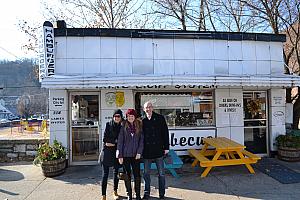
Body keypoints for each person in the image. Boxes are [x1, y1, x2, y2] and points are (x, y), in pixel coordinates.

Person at [142, 101, 169, 199]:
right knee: (146, 174)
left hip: (158, 150)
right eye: (146, 108)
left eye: (149, 107)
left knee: (161, 174)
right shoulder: (142, 120)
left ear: (152, 108)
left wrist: (166, 147)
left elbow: (165, 133)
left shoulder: (160, 118)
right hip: (146, 151)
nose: (148, 109)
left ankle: (162, 194)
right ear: (144, 109)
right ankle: (146, 193)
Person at [117, 109, 144, 200]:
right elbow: (120, 142)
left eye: (132, 116)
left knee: (137, 175)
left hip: (136, 155)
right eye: (129, 116)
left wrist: (139, 152)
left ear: (134, 117)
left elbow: (141, 141)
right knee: (127, 175)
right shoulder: (123, 126)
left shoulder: (139, 126)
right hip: (126, 155)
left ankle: (137, 194)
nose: (130, 118)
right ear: (127, 117)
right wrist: (120, 155)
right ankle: (129, 194)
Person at [101, 109, 123, 200]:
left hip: (116, 152)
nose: (116, 118)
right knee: (105, 174)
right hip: (107, 152)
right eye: (115, 116)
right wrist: (116, 142)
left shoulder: (122, 126)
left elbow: (123, 141)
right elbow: (105, 141)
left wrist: (114, 143)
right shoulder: (108, 125)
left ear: (121, 117)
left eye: (118, 116)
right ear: (113, 117)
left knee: (116, 173)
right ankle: (103, 195)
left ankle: (115, 191)